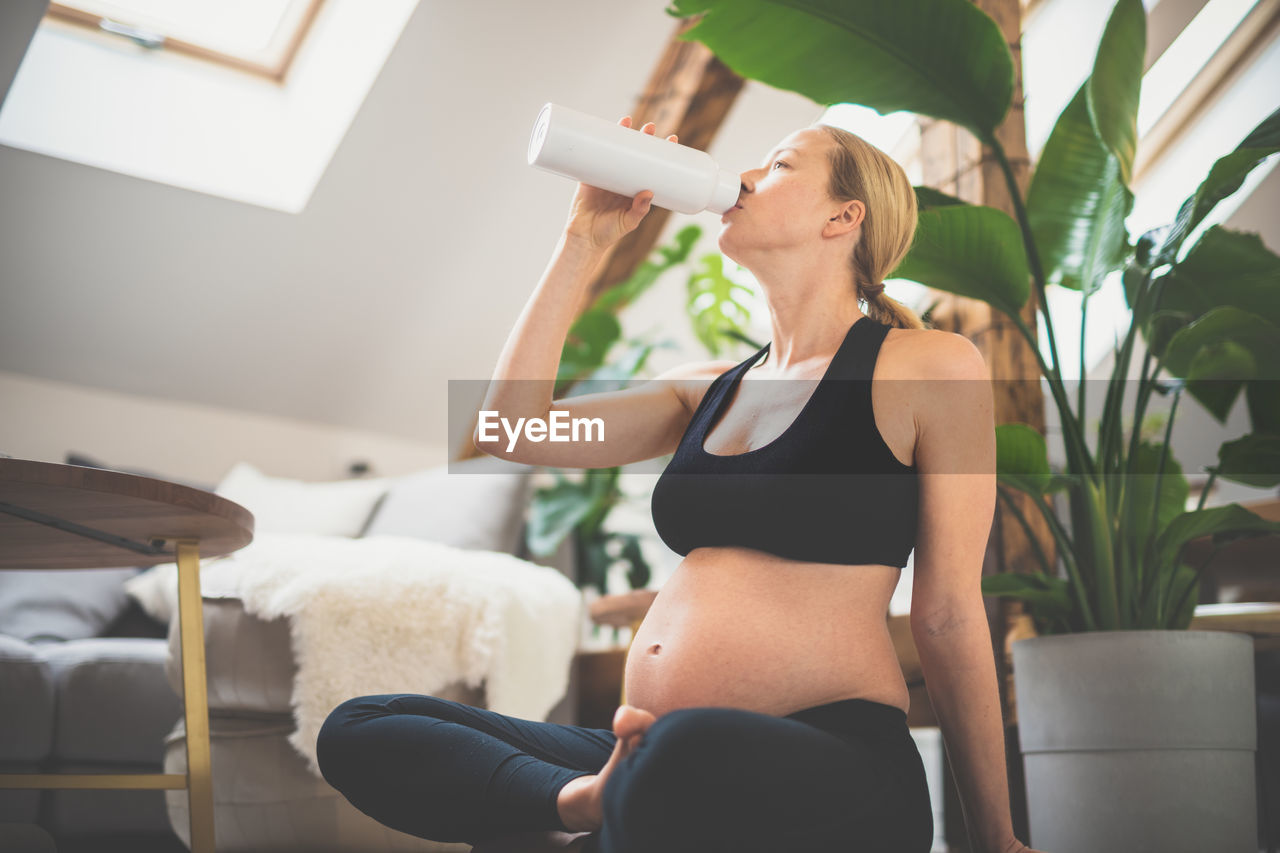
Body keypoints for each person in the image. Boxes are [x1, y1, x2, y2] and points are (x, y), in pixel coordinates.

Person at [317, 115, 1044, 853]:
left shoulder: (927, 367)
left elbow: (948, 614)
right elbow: (510, 433)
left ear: (843, 216)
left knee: (678, 756)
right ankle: (579, 803)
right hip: (648, 756)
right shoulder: (702, 392)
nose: (747, 177)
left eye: (781, 164)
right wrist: (583, 242)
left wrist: (997, 838)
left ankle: (596, 812)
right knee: (360, 725)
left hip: (830, 765)